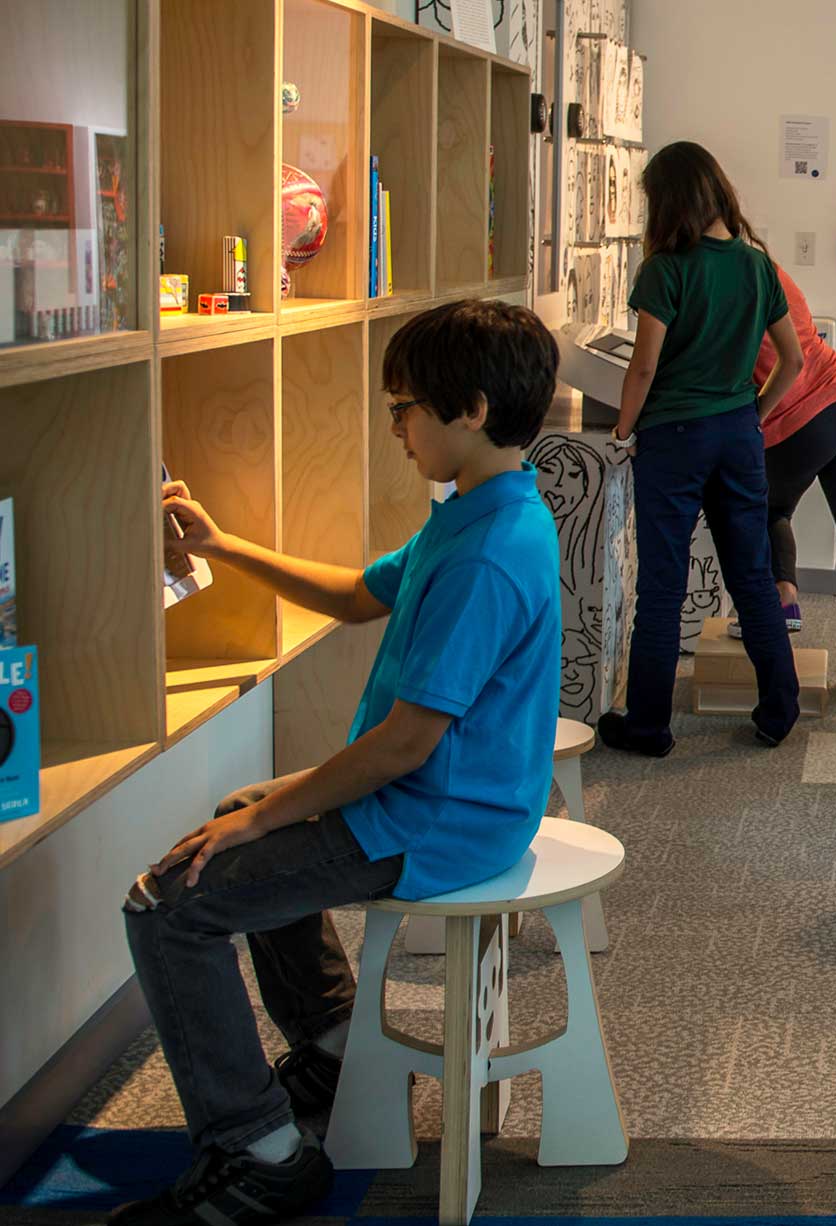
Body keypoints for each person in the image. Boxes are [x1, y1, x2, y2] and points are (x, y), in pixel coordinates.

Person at [113, 301, 562, 1226]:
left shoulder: (487, 554)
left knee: (169, 903)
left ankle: (259, 1150)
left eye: (404, 408)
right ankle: (334, 1048)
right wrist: (220, 546)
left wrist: (268, 815)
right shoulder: (483, 510)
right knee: (245, 814)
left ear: (469, 409)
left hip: (439, 817)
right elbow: (359, 596)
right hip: (443, 799)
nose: (395, 427)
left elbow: (405, 744)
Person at [598, 140, 804, 756]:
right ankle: (779, 712)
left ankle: (649, 726)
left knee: (662, 587)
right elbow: (791, 361)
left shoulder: (666, 269)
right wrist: (749, 415)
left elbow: (642, 369)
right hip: (738, 434)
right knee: (752, 577)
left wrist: (621, 432)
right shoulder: (757, 265)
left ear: (669, 201)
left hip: (674, 438)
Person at [746, 262, 836, 705]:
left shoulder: (721, 283)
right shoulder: (768, 267)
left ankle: (785, 595)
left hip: (798, 420)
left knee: (767, 509)